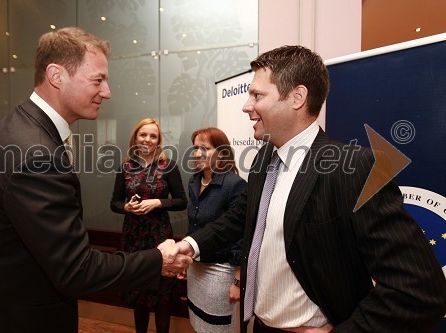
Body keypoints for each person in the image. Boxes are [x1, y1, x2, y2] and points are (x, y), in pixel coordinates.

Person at [170, 45, 446, 333]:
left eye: (257, 95)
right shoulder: (265, 157)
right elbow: (243, 216)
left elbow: (419, 290)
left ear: (297, 97)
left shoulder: (353, 167)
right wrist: (191, 245)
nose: (246, 106)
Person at [0, 27, 192, 333]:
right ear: (56, 76)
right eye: (98, 80)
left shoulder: (19, 125)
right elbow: (76, 270)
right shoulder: (37, 153)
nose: (107, 92)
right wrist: (159, 259)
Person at [110, 118, 188, 333]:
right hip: (133, 237)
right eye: (143, 134)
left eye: (153, 136)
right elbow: (114, 203)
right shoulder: (125, 167)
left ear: (158, 141)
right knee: (138, 292)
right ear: (135, 137)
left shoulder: (168, 166)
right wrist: (126, 207)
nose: (147, 139)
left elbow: (182, 201)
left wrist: (158, 202)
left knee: (161, 295)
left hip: (159, 236)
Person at [186, 127, 247, 333]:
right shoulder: (194, 181)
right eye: (195, 148)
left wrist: (238, 280)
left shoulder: (234, 184)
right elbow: (193, 226)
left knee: (217, 328)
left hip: (221, 270)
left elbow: (240, 235)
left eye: (205, 148)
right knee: (197, 321)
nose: (197, 153)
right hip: (196, 266)